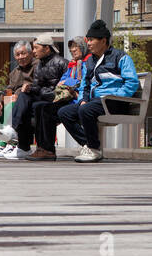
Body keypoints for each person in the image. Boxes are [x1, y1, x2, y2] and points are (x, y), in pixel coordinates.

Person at [55, 20, 140, 163]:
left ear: (103, 40)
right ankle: (88, 144)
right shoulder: (90, 62)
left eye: (91, 40)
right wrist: (82, 99)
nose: (88, 43)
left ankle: (94, 148)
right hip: (95, 102)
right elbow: (85, 85)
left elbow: (131, 83)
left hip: (114, 102)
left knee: (86, 110)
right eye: (87, 40)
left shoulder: (121, 57)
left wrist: (113, 96)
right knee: (64, 112)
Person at [0, 34, 66, 161]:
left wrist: (28, 90)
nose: (33, 52)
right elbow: (12, 88)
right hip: (40, 97)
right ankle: (9, 141)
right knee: (21, 99)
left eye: (35, 48)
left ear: (46, 48)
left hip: (53, 99)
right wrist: (0, 100)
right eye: (17, 55)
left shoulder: (55, 63)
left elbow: (61, 88)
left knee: (30, 105)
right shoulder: (21, 70)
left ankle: (15, 138)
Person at [0, 41, 37, 146]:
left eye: (23, 53)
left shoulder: (38, 66)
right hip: (14, 98)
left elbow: (35, 85)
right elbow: (8, 90)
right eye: (17, 54)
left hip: (29, 100)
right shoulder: (14, 72)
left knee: (10, 106)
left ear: (30, 53)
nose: (20, 57)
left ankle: (10, 144)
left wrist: (19, 94)